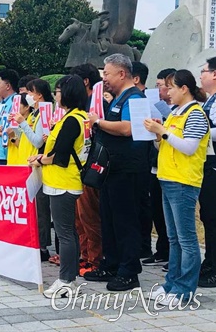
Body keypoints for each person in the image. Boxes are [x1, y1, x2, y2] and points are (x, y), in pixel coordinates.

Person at [85, 54, 150, 292]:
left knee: (125, 221)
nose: (105, 79)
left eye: (108, 74)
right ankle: (111, 264)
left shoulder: (135, 98)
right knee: (110, 219)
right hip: (112, 169)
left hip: (128, 170)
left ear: (122, 73)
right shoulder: (119, 98)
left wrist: (98, 122)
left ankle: (129, 271)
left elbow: (128, 129)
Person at [144, 69, 210, 304]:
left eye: (171, 87)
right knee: (173, 238)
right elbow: (165, 145)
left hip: (184, 181)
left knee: (186, 239)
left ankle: (184, 290)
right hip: (168, 178)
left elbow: (189, 147)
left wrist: (161, 132)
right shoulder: (174, 113)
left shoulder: (195, 114)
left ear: (184, 89)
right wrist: (156, 134)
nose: (167, 92)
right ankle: (171, 283)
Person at [28, 75, 89, 298]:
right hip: (64, 180)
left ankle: (65, 280)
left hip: (63, 182)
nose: (56, 96)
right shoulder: (77, 117)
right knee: (69, 233)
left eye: (59, 91)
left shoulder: (72, 120)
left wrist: (39, 159)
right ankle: (69, 279)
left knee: (65, 234)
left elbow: (60, 156)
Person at [69, 63, 103, 275]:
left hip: (91, 166)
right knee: (79, 218)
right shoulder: (80, 106)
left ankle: (95, 259)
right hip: (77, 167)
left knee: (89, 216)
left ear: (85, 82)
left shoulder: (97, 103)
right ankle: (84, 255)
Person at [142, 68, 177, 269]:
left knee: (174, 220)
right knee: (158, 210)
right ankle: (163, 250)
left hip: (176, 172)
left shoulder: (185, 112)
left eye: (162, 86)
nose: (162, 91)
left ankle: (173, 257)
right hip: (158, 166)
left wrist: (162, 130)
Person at [22, 78, 55, 262]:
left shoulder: (45, 112)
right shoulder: (34, 113)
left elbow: (38, 141)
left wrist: (22, 123)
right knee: (35, 207)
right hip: (32, 163)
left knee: (42, 208)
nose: (27, 96)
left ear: (39, 95)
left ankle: (43, 246)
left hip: (42, 165)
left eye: (30, 92)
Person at [198, 56, 216, 288]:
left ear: (215, 74)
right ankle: (211, 261)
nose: (201, 75)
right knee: (209, 217)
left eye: (204, 71)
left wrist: (196, 131)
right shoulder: (211, 100)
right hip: (209, 167)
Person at [131, 61, 154, 259]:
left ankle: (144, 246)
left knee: (142, 204)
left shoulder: (142, 99)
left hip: (145, 160)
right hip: (140, 159)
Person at [6, 93, 32, 165]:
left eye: (17, 104)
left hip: (22, 163)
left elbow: (22, 146)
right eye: (14, 104)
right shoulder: (12, 121)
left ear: (27, 107)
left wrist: (12, 136)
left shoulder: (28, 124)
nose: (14, 107)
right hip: (11, 161)